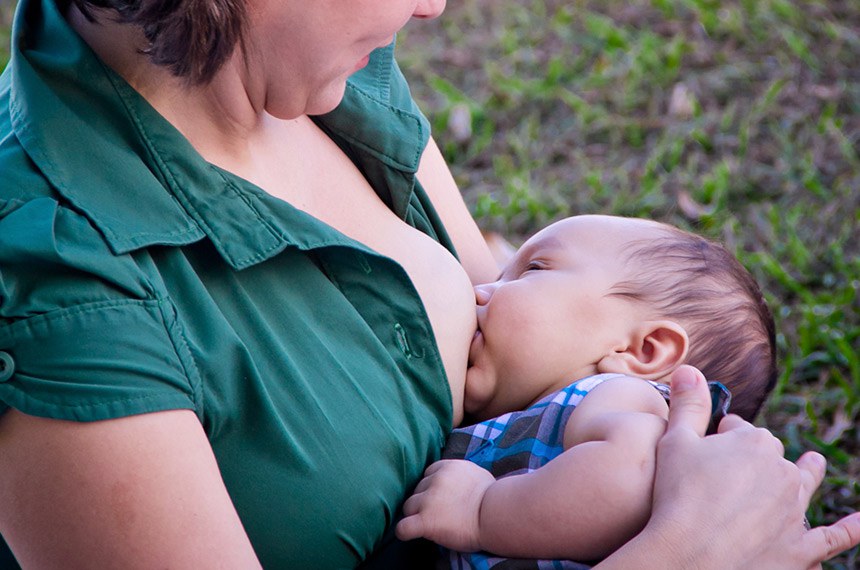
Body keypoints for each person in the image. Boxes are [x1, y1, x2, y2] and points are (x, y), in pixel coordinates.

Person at [0, 0, 857, 567]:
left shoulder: (312, 67)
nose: (433, 6)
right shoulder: (64, 272)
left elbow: (507, 334)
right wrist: (689, 553)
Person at [394, 214, 775, 567]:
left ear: (641, 350)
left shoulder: (619, 396)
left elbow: (624, 476)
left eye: (534, 269)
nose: (479, 290)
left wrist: (481, 510)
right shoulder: (537, 414)